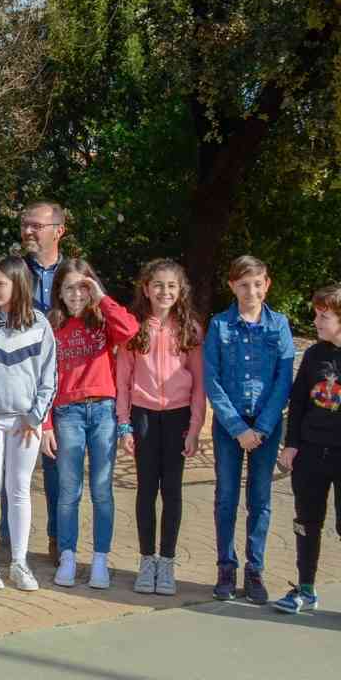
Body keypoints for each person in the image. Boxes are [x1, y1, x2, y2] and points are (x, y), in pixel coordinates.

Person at [0, 256, 57, 592]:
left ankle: (19, 562)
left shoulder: (40, 325)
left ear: (19, 285)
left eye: (0, 283)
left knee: (19, 490)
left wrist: (36, 416)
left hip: (25, 424)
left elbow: (49, 377)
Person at [42, 259, 138, 590]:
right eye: (68, 288)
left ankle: (100, 558)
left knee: (101, 489)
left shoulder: (102, 319)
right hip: (67, 411)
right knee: (69, 490)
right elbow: (42, 377)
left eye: (82, 287)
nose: (75, 295)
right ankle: (67, 555)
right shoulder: (51, 324)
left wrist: (101, 297)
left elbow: (130, 331)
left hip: (103, 411)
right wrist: (46, 424)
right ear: (58, 292)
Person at [204, 255, 294, 605]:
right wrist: (238, 427)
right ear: (232, 286)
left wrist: (264, 426)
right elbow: (212, 380)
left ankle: (255, 570)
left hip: (267, 427)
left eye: (257, 283)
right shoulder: (220, 326)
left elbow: (283, 379)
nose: (251, 290)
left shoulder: (279, 326)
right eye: (243, 284)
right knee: (226, 498)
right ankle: (226, 566)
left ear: (267, 284)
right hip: (231, 426)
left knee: (260, 500)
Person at [116, 259, 204, 596]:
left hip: (179, 417)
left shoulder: (191, 329)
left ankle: (166, 562)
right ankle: (146, 560)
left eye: (171, 285)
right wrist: (124, 425)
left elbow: (199, 385)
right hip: (143, 416)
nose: (164, 291)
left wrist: (195, 427)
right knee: (146, 490)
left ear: (180, 290)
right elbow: (122, 381)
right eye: (157, 285)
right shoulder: (133, 328)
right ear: (145, 288)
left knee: (172, 491)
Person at [273, 283, 341, 614]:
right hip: (312, 452)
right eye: (316, 315)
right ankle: (305, 589)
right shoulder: (315, 354)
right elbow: (298, 401)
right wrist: (291, 445)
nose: (316, 322)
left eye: (324, 316)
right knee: (307, 521)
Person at [19, 200, 67, 565]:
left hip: (63, 384)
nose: (29, 231)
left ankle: (57, 538)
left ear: (58, 231)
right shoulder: (12, 270)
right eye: (26, 225)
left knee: (57, 466)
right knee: (12, 468)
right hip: (17, 380)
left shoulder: (78, 274)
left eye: (37, 225)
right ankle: (9, 537)